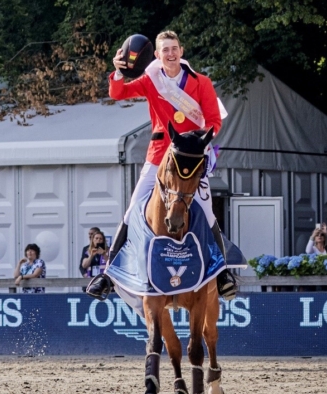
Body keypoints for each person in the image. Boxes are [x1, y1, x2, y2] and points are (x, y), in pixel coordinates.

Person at [86, 30, 237, 300]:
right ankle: (108, 274)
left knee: (207, 212)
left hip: (190, 160)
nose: (170, 54)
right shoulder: (151, 80)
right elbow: (118, 93)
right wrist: (119, 71)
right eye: (165, 50)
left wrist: (195, 141)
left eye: (174, 48)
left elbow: (214, 122)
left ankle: (223, 272)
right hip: (159, 157)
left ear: (181, 51)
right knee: (133, 209)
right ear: (157, 55)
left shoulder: (201, 82)